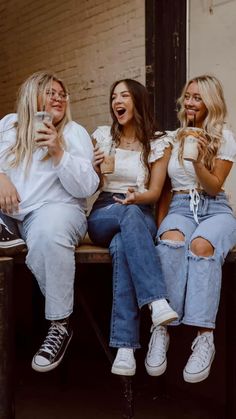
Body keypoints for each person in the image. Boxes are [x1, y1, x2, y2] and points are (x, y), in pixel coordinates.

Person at [0, 71, 99, 372]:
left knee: (47, 233)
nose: (58, 98)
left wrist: (58, 151)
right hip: (10, 214)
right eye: (50, 93)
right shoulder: (9, 125)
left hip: (55, 210)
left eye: (62, 94)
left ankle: (59, 324)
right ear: (32, 97)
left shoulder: (73, 133)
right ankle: (5, 233)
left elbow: (86, 187)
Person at [145, 74, 236, 383]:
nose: (190, 102)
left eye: (197, 97)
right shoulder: (171, 138)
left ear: (210, 102)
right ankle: (162, 330)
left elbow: (213, 188)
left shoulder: (224, 137)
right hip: (181, 207)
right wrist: (163, 227)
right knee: (171, 242)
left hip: (216, 209)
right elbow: (165, 190)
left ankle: (204, 337)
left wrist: (197, 160)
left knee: (201, 246)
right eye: (187, 96)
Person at [87, 78, 178, 376]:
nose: (117, 101)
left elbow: (153, 193)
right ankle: (156, 301)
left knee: (124, 243)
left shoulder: (159, 142)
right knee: (128, 217)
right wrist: (95, 169)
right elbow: (90, 186)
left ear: (137, 101)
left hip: (139, 209)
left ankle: (125, 347)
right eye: (114, 96)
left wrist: (135, 198)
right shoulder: (102, 136)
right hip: (104, 210)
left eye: (124, 95)